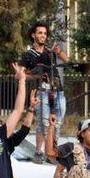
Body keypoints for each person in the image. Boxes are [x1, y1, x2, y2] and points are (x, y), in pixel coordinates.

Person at [20, 21, 69, 164]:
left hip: (57, 90)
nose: (43, 36)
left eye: (45, 33)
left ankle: (52, 151)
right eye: (40, 33)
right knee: (44, 123)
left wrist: (58, 51)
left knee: (57, 123)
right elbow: (20, 75)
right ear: (33, 35)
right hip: (42, 91)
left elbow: (66, 60)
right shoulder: (28, 54)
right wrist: (36, 76)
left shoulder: (50, 51)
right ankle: (39, 152)